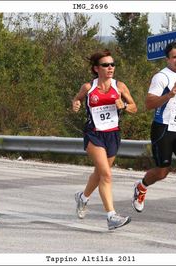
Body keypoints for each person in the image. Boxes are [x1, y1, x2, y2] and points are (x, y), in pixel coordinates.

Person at [131, 41, 176, 225]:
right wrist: (168, 95)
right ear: (167, 59)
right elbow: (149, 104)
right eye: (175, 57)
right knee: (162, 172)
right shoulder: (161, 77)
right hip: (163, 129)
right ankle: (141, 186)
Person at [72, 49, 137, 230]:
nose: (110, 68)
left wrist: (123, 105)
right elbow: (77, 99)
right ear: (96, 69)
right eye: (105, 65)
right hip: (94, 133)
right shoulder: (88, 87)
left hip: (113, 134)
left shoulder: (120, 86)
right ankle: (111, 216)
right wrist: (76, 103)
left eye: (112, 64)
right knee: (107, 175)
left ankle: (83, 197)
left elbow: (134, 107)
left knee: (100, 173)